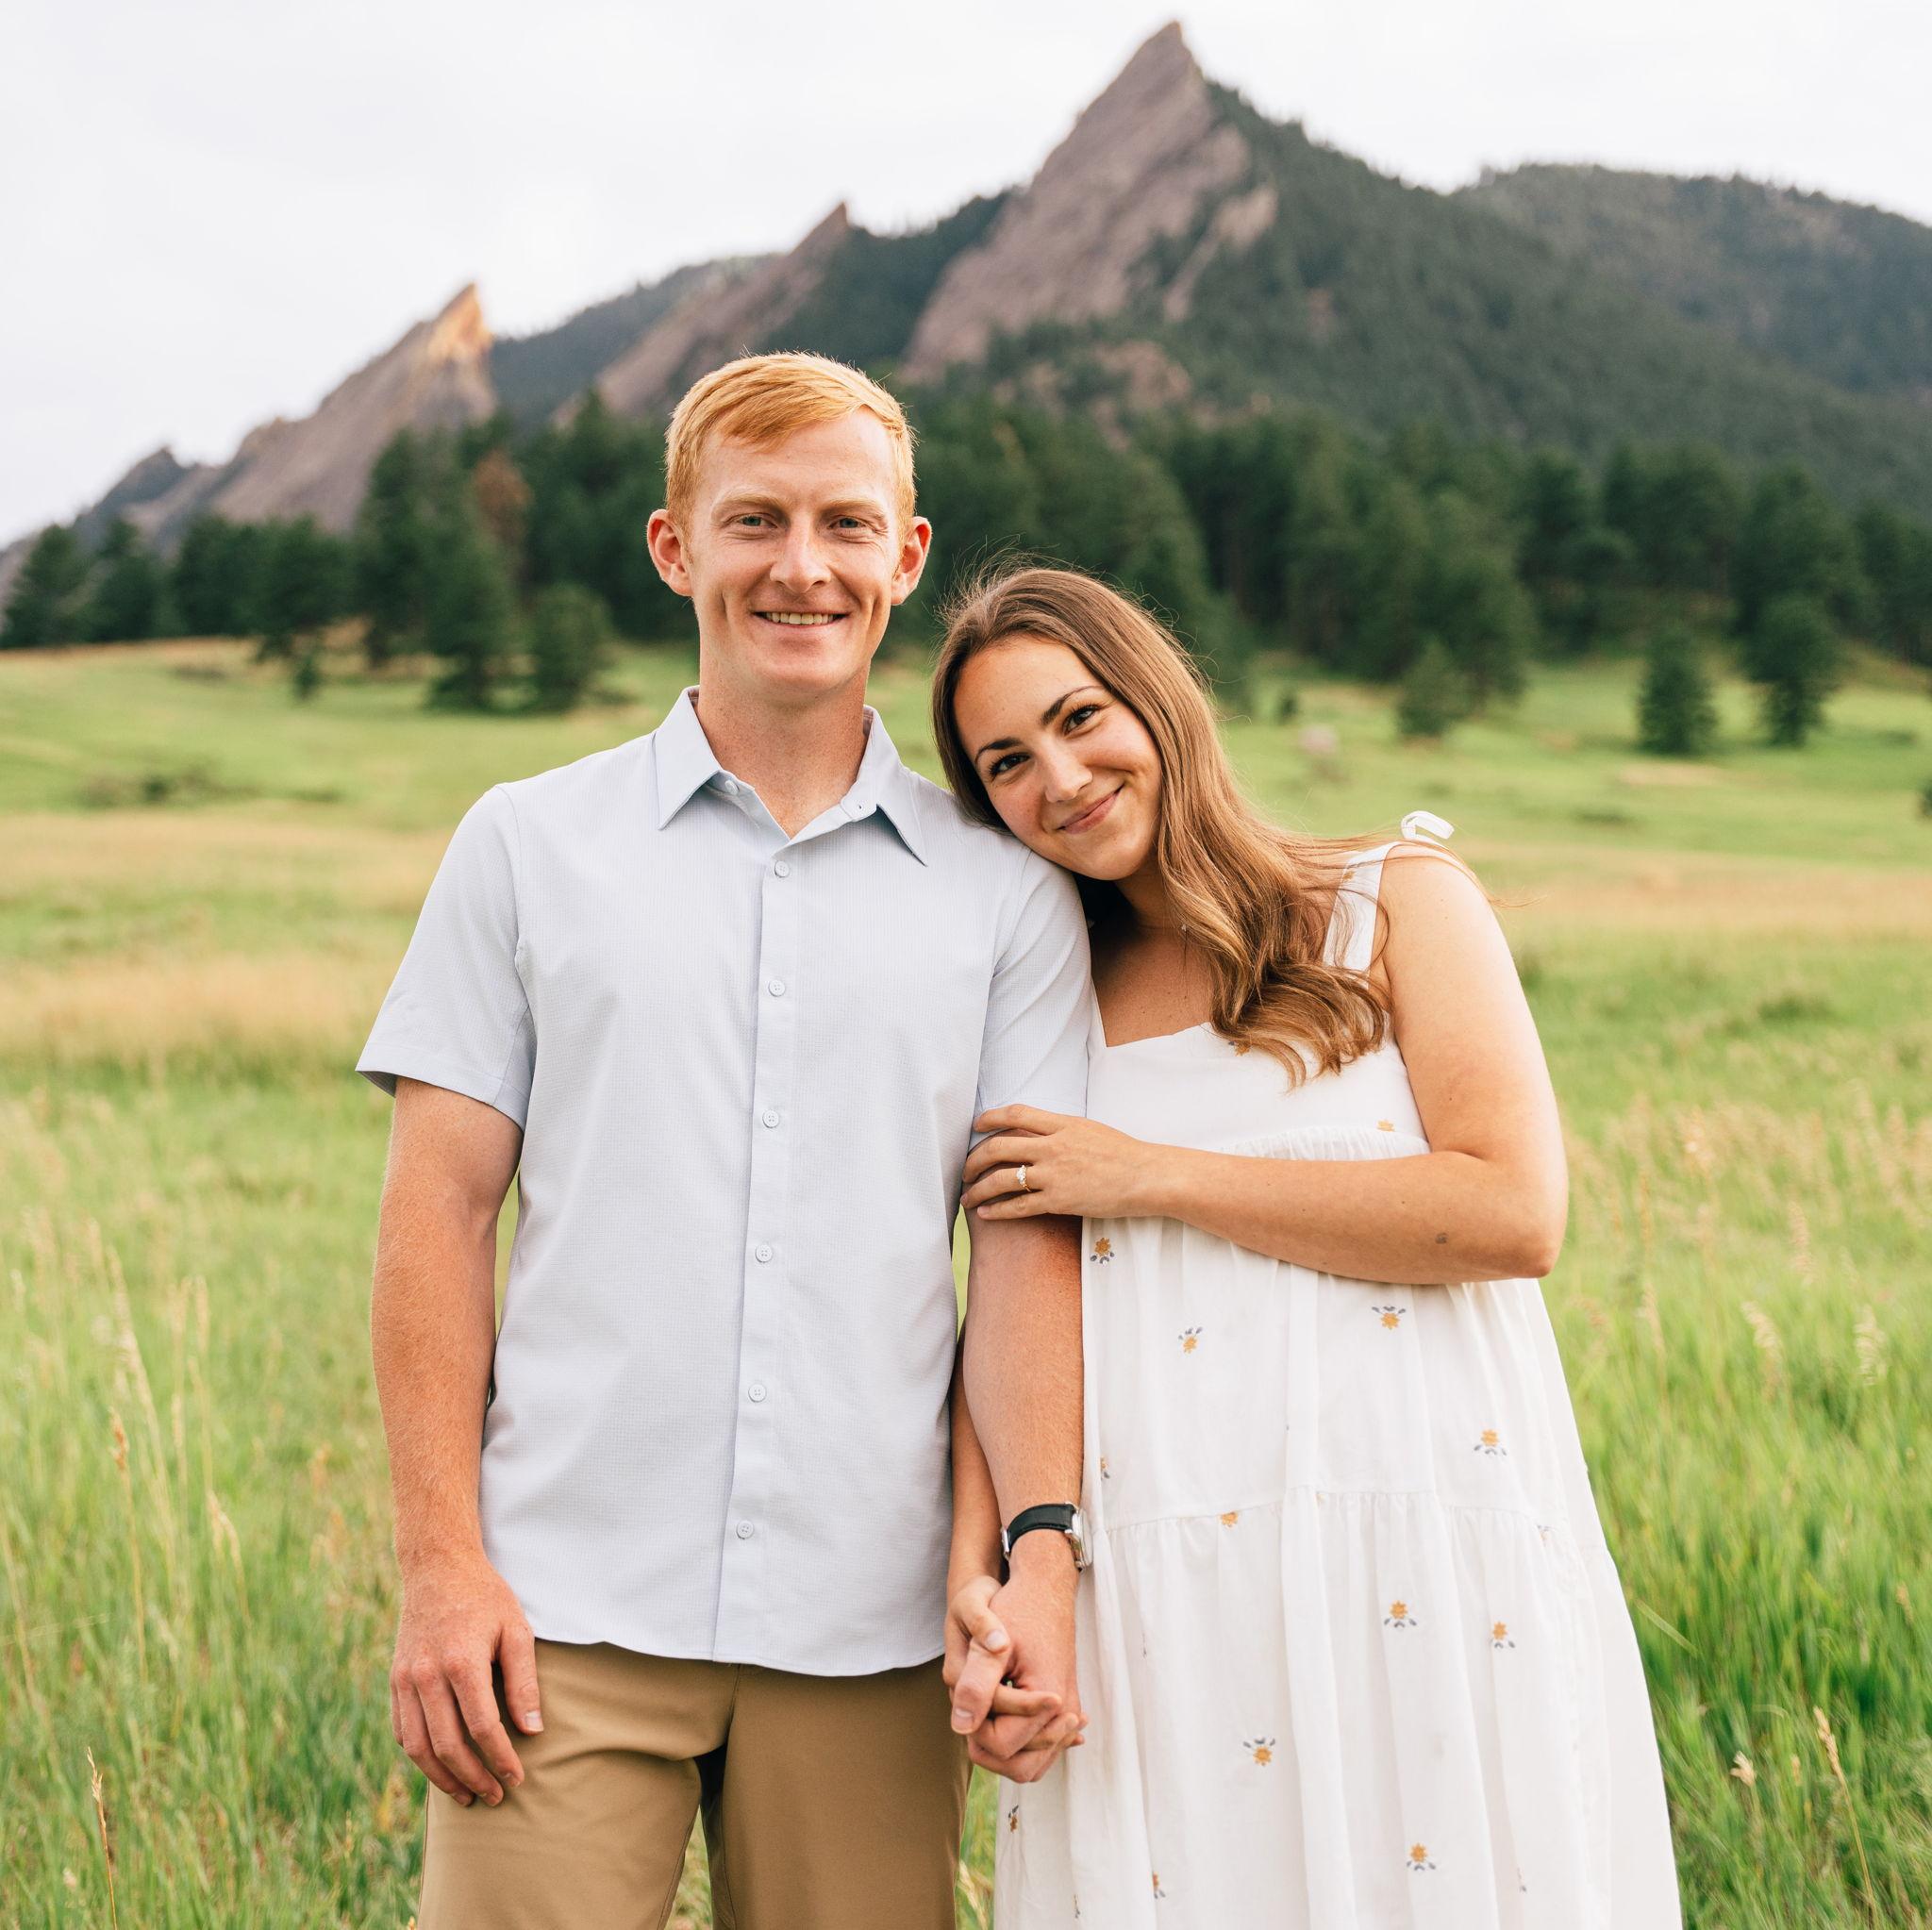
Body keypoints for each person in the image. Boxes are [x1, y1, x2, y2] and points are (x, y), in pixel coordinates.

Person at [357, 355, 1092, 1930]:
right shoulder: (525, 845)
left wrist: (1041, 1556)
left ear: (906, 556)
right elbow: (436, 1212)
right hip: (559, 1614)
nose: (801, 564)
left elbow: (1024, 1255)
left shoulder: (1006, 897)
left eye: (846, 523)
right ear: (674, 546)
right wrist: (440, 1566)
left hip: (876, 1624)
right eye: (754, 519)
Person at [934, 567, 1682, 1928]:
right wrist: (985, 1568)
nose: (1060, 774)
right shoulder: (1036, 997)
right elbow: (1009, 1295)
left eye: (1080, 715)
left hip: (1418, 1550)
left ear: (1157, 698)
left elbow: (1513, 1211)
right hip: (1161, 1579)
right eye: (1006, 761)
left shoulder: (1392, 903)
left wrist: (1152, 1174)